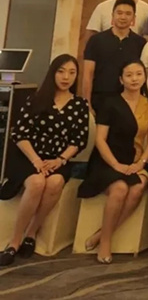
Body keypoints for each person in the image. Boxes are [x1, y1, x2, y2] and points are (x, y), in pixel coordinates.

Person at [0, 55, 89, 266]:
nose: (66, 77)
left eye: (72, 72)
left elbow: (79, 140)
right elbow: (19, 134)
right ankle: (14, 241)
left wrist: (60, 159)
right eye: (61, 71)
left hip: (58, 160)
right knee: (37, 182)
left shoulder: (80, 104)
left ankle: (31, 233)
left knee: (55, 182)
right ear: (52, 73)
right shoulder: (36, 98)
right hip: (29, 157)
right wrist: (36, 161)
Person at [77, 60, 148, 264]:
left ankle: (100, 234)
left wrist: (141, 163)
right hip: (107, 161)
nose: (134, 79)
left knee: (138, 187)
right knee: (120, 188)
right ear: (121, 79)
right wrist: (116, 165)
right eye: (129, 75)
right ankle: (106, 242)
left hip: (135, 162)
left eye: (138, 74)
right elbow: (100, 140)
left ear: (145, 77)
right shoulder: (109, 103)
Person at [82, 0, 146, 115]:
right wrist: (87, 104)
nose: (123, 17)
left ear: (134, 18)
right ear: (112, 15)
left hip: (129, 104)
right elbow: (88, 74)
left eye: (128, 14)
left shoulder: (140, 43)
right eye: (119, 13)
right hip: (99, 101)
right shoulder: (96, 40)